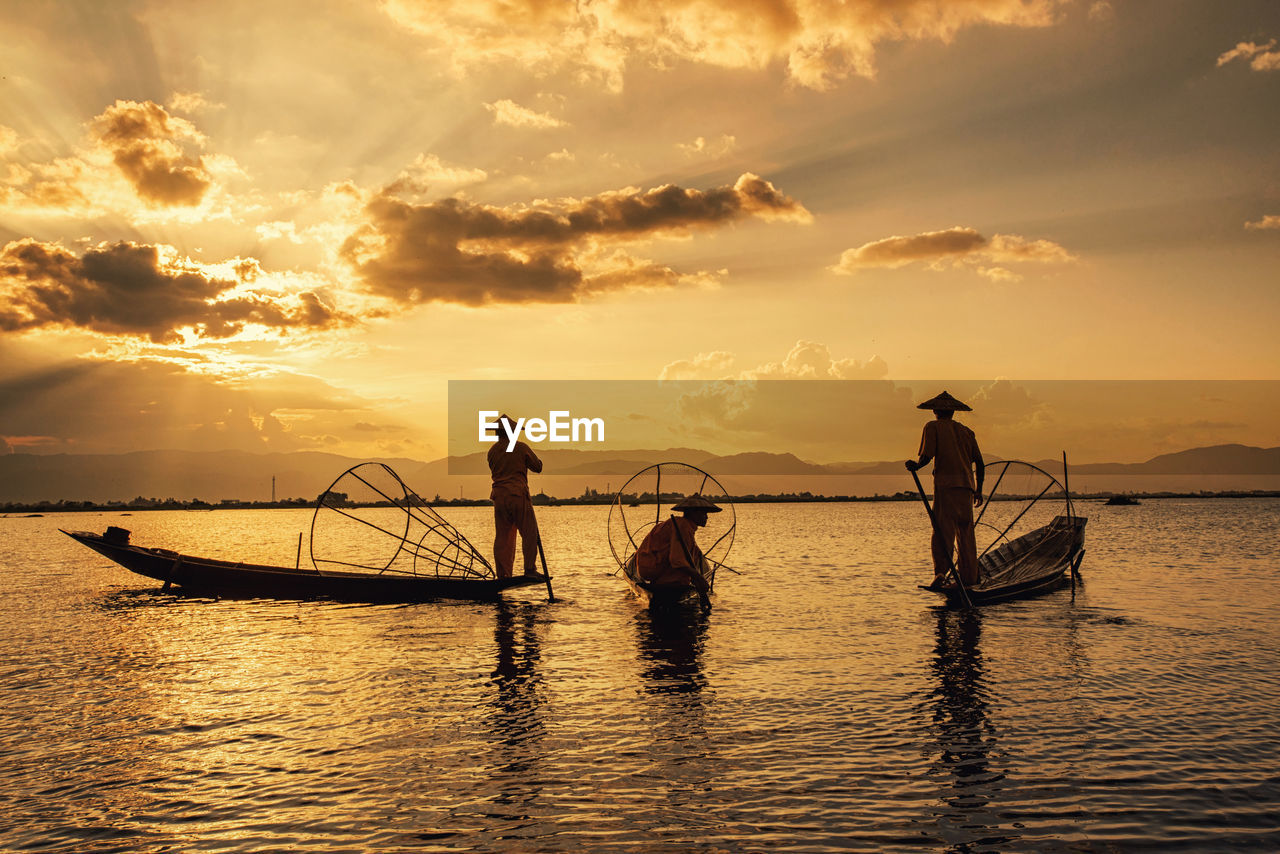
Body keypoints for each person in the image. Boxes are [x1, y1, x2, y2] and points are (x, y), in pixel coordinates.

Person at [905, 391, 984, 588]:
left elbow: (926, 457)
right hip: (966, 487)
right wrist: (978, 490)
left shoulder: (933, 427)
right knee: (966, 532)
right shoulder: (966, 431)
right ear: (952, 412)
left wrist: (915, 466)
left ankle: (940, 573)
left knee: (942, 531)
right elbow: (980, 464)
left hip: (946, 487)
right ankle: (969, 577)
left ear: (935, 410)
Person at [635, 495, 719, 609]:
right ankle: (670, 582)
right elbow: (677, 560)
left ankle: (672, 581)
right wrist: (699, 578)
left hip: (653, 567)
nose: (707, 517)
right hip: (650, 568)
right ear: (693, 513)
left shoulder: (684, 526)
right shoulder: (682, 526)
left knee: (695, 553)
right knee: (684, 563)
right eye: (703, 513)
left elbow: (689, 550)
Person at [488, 414, 544, 579]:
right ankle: (529, 569)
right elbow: (537, 467)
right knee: (529, 533)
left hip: (499, 498)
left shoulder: (492, 451)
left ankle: (503, 574)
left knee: (503, 537)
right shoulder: (520, 448)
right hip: (517, 495)